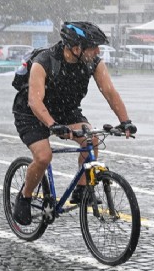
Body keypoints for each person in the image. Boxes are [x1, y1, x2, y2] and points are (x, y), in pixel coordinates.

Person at [12, 21, 137, 225]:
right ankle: (25, 197)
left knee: (92, 140)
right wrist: (52, 125)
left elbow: (110, 92)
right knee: (44, 157)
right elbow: (35, 101)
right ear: (76, 48)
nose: (97, 51)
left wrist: (125, 121)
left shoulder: (93, 62)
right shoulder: (44, 61)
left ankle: (81, 190)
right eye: (93, 47)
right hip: (31, 113)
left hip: (66, 111)